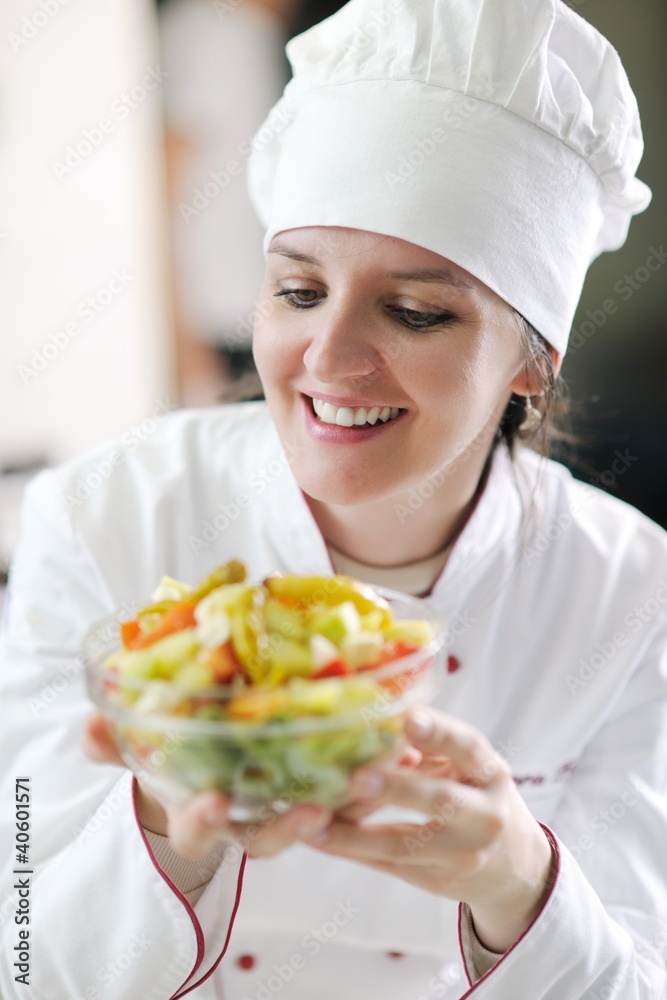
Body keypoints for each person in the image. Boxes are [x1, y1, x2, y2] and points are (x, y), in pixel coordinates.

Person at [1, 0, 665, 997]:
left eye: (414, 310)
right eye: (299, 292)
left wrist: (517, 880)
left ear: (533, 358)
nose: (329, 359)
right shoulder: (99, 517)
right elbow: (18, 952)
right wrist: (160, 815)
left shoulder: (633, 594)